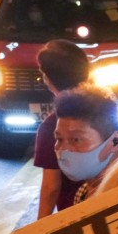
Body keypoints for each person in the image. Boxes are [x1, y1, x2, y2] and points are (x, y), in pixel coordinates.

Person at [34, 40, 90, 218]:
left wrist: (40, 230)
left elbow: (51, 187)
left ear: (48, 80)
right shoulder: (107, 108)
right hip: (114, 206)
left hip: (75, 216)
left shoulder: (53, 127)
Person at [52, 85, 118, 205]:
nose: (63, 149)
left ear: (114, 141)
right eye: (59, 139)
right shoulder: (83, 193)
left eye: (75, 139)